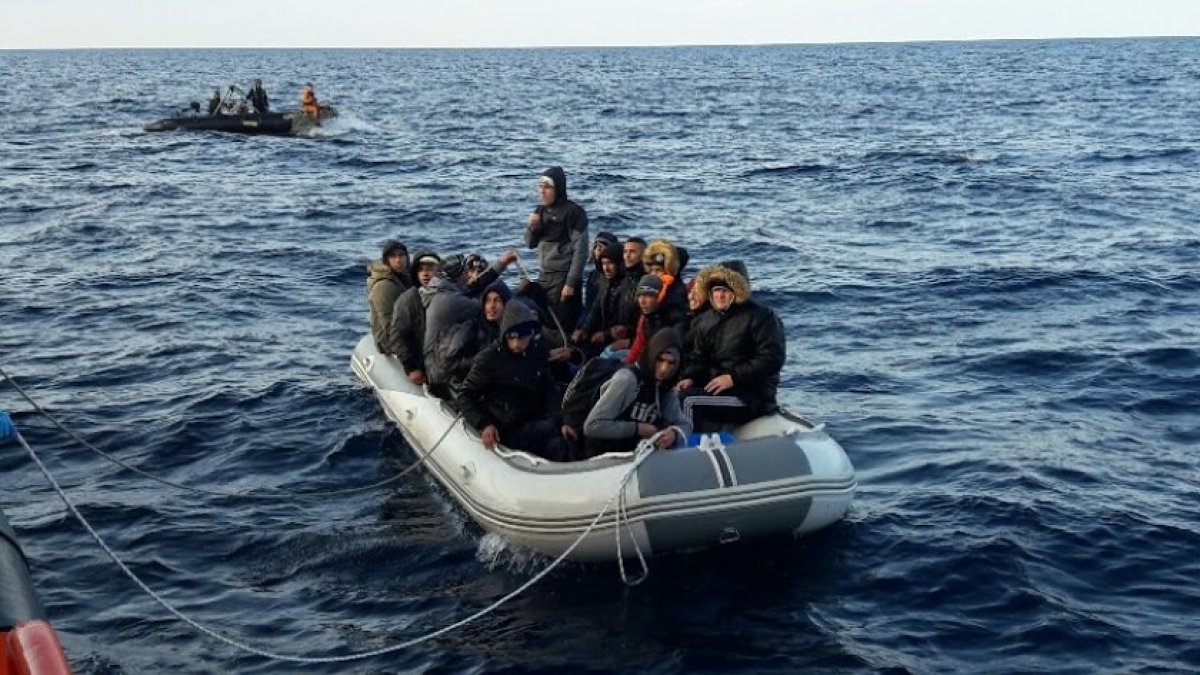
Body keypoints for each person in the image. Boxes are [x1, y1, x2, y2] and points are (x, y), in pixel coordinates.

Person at [456, 301, 576, 460]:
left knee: (566, 437)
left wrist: (563, 421)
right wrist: (484, 424)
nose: (518, 343)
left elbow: (549, 389)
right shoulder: (489, 359)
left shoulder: (537, 351)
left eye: (523, 336)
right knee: (552, 440)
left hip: (534, 416)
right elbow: (465, 396)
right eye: (512, 336)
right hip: (506, 426)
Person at [677, 264, 786, 431]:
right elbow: (699, 357)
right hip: (715, 389)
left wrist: (733, 377)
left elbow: (771, 358)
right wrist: (690, 377)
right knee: (674, 394)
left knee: (688, 401)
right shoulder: (705, 320)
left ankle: (685, 451)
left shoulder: (762, 317)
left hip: (749, 396)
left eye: (726, 291)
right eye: (716, 290)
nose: (720, 295)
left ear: (737, 291)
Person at [422, 252, 518, 397]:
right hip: (439, 371)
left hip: (439, 358)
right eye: (465, 272)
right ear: (455, 276)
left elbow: (473, 287)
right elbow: (491, 308)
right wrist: (518, 293)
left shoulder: (439, 289)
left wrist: (502, 264)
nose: (468, 275)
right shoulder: (450, 301)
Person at [583, 328, 691, 456]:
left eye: (671, 363)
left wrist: (674, 433)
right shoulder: (627, 380)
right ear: (652, 356)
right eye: (660, 360)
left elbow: (684, 424)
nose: (664, 369)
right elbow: (593, 425)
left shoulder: (665, 387)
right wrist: (638, 429)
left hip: (638, 457)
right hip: (604, 457)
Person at [525, 166, 589, 333]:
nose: (542, 192)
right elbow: (530, 244)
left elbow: (581, 250)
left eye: (547, 187)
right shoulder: (540, 211)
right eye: (540, 187)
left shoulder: (574, 212)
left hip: (563, 278)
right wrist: (533, 227)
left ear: (558, 188)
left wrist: (570, 283)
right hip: (544, 275)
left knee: (563, 325)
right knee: (543, 321)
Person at [573, 240, 636, 357]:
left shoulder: (631, 286)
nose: (606, 268)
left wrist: (607, 334)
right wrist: (584, 329)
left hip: (624, 338)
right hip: (605, 333)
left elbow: (627, 324)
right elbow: (595, 308)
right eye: (603, 263)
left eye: (610, 263)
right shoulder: (605, 283)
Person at [387, 250, 440, 384]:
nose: (425, 273)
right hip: (422, 363)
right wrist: (411, 368)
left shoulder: (447, 295)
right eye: (421, 270)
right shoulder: (407, 300)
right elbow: (397, 337)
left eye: (430, 269)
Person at [624, 274, 690, 366]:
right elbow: (638, 346)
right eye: (640, 296)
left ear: (659, 297)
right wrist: (626, 365)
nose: (642, 301)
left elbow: (674, 355)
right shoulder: (644, 317)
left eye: (648, 296)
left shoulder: (674, 321)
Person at [367, 239, 410, 352]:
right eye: (393, 256)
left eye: (401, 255)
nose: (398, 260)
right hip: (388, 343)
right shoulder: (383, 286)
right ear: (386, 260)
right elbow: (389, 325)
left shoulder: (403, 277)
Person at [577, 231, 619, 333]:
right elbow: (589, 307)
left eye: (603, 245)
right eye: (596, 246)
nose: (598, 249)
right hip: (593, 324)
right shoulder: (593, 276)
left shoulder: (618, 276)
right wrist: (580, 327)